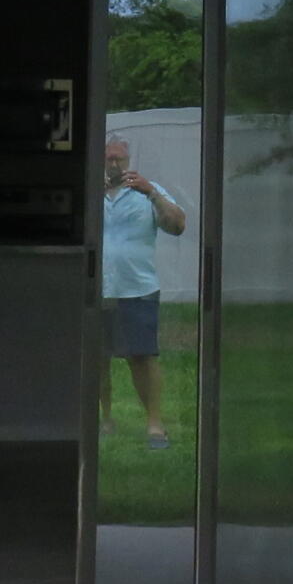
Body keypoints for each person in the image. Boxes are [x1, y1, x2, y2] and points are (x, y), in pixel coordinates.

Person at [99, 135, 188, 448]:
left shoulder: (147, 192)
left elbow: (177, 226)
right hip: (97, 289)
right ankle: (104, 421)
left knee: (142, 357)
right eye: (108, 158)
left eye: (119, 159)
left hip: (137, 289)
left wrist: (152, 192)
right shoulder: (89, 192)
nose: (113, 164)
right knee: (97, 358)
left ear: (128, 161)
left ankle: (154, 424)